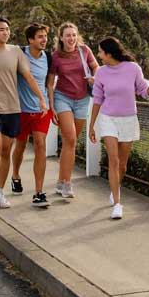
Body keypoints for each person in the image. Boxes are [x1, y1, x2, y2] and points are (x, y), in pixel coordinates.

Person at [88, 37, 149, 220]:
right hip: (108, 120)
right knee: (113, 160)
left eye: (100, 52)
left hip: (128, 120)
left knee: (122, 164)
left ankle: (115, 189)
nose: (98, 55)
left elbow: (144, 90)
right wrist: (92, 126)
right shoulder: (101, 73)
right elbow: (97, 100)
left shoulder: (132, 68)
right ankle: (117, 203)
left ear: (109, 53)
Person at [0, 16, 49, 213]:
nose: (5, 33)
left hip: (13, 109)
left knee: (6, 151)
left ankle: (0, 191)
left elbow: (29, 77)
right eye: (1, 30)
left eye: (7, 29)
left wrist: (41, 98)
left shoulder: (16, 52)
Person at [7, 24, 57, 207]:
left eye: (45, 36)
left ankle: (38, 192)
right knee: (19, 145)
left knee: (40, 144)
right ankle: (15, 175)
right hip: (21, 110)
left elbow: (49, 83)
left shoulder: (48, 57)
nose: (44, 40)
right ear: (30, 40)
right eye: (40, 37)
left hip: (41, 110)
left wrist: (50, 104)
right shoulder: (19, 53)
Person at [49, 22, 98, 198]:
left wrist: (94, 78)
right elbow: (50, 82)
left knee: (71, 143)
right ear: (61, 37)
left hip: (83, 100)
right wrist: (52, 105)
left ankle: (61, 181)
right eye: (68, 35)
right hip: (63, 98)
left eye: (74, 35)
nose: (71, 38)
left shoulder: (84, 50)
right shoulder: (55, 56)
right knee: (70, 138)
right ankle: (68, 184)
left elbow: (96, 68)